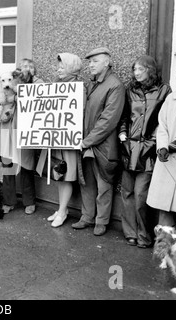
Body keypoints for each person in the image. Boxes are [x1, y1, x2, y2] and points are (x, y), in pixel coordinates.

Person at [118, 55, 172, 248]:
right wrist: (123, 134)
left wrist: (154, 142)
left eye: (140, 69)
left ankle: (144, 235)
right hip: (128, 148)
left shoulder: (165, 90)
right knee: (127, 193)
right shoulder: (130, 90)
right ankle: (130, 233)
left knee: (141, 195)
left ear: (150, 69)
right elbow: (124, 116)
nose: (136, 73)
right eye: (135, 70)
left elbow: (164, 121)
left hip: (149, 150)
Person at [71, 47, 125, 236]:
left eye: (95, 61)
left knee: (104, 185)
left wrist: (86, 142)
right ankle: (87, 217)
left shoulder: (115, 85)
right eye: (89, 62)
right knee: (87, 183)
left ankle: (101, 221)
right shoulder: (93, 84)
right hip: (87, 143)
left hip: (103, 145)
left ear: (107, 62)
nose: (90, 65)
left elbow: (108, 121)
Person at [147, 58, 176, 227]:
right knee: (164, 206)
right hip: (168, 160)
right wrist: (163, 146)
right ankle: (164, 248)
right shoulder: (172, 98)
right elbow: (162, 125)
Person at [40, 53, 84, 228]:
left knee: (66, 175)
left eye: (62, 66)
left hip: (68, 140)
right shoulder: (57, 85)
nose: (58, 69)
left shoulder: (78, 88)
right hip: (57, 139)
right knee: (58, 173)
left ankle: (63, 210)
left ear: (72, 68)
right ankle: (61, 209)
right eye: (58, 66)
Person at [0, 60, 37, 215]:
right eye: (23, 67)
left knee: (26, 165)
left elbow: (36, 102)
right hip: (6, 128)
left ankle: (29, 200)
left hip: (24, 130)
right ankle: (8, 200)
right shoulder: (6, 84)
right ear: (17, 72)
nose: (27, 70)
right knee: (7, 164)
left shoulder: (38, 84)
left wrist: (17, 98)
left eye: (30, 67)